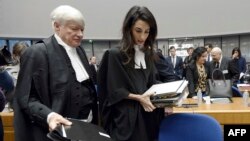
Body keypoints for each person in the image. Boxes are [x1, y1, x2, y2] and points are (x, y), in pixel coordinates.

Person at [13, 5, 98, 141]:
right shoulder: (36, 53)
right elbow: (26, 98)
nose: (80, 34)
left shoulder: (80, 51)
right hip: (52, 134)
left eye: (82, 29)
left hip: (83, 131)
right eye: (74, 29)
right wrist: (50, 116)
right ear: (57, 26)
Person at [98, 6, 164, 141]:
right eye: (138, 31)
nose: (142, 37)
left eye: (147, 32)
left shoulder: (148, 54)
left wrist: (168, 94)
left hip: (148, 114)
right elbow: (114, 90)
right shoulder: (114, 54)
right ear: (128, 29)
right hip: (127, 119)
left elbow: (152, 83)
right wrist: (139, 97)